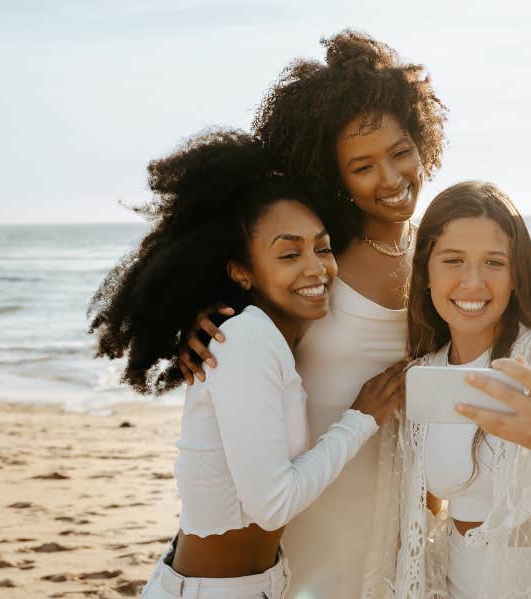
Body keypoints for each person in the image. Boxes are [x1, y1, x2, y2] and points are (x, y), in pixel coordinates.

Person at [180, 30, 448, 598]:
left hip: (400, 495)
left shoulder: (439, 257)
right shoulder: (317, 262)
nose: (391, 177)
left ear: (424, 142)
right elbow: (242, 334)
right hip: (311, 500)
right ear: (336, 177)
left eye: (401, 152)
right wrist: (197, 324)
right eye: (363, 165)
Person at [87, 130, 402, 598]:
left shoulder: (268, 337)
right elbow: (274, 505)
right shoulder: (246, 338)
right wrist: (361, 418)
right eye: (289, 254)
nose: (316, 268)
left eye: (323, 246)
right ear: (241, 270)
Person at [392, 181, 531, 598]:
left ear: (516, 276)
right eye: (453, 260)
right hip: (457, 583)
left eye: (494, 262)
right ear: (425, 273)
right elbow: (431, 506)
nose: (472, 282)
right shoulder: (427, 370)